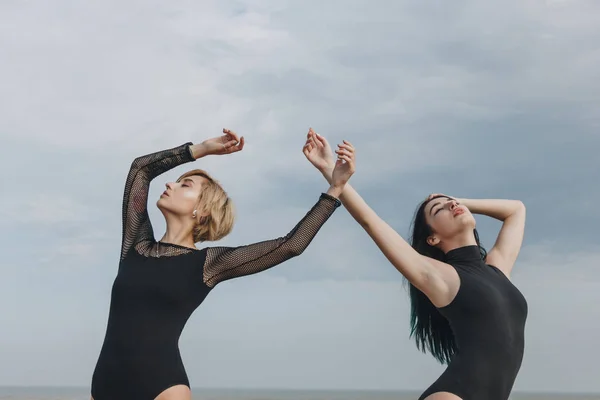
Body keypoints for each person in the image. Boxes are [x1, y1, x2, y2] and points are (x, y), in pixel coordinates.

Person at [90, 129, 355, 400]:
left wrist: (335, 188)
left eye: (185, 185)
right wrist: (201, 149)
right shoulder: (137, 245)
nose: (170, 185)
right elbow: (140, 170)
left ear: (202, 210)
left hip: (161, 388)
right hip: (103, 386)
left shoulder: (208, 264)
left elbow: (290, 245)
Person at [302, 128, 527, 400]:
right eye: (439, 210)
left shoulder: (497, 267)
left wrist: (455, 200)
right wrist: (331, 172)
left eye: (451, 203)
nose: (451, 205)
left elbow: (516, 209)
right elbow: (371, 222)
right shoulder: (440, 277)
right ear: (432, 238)